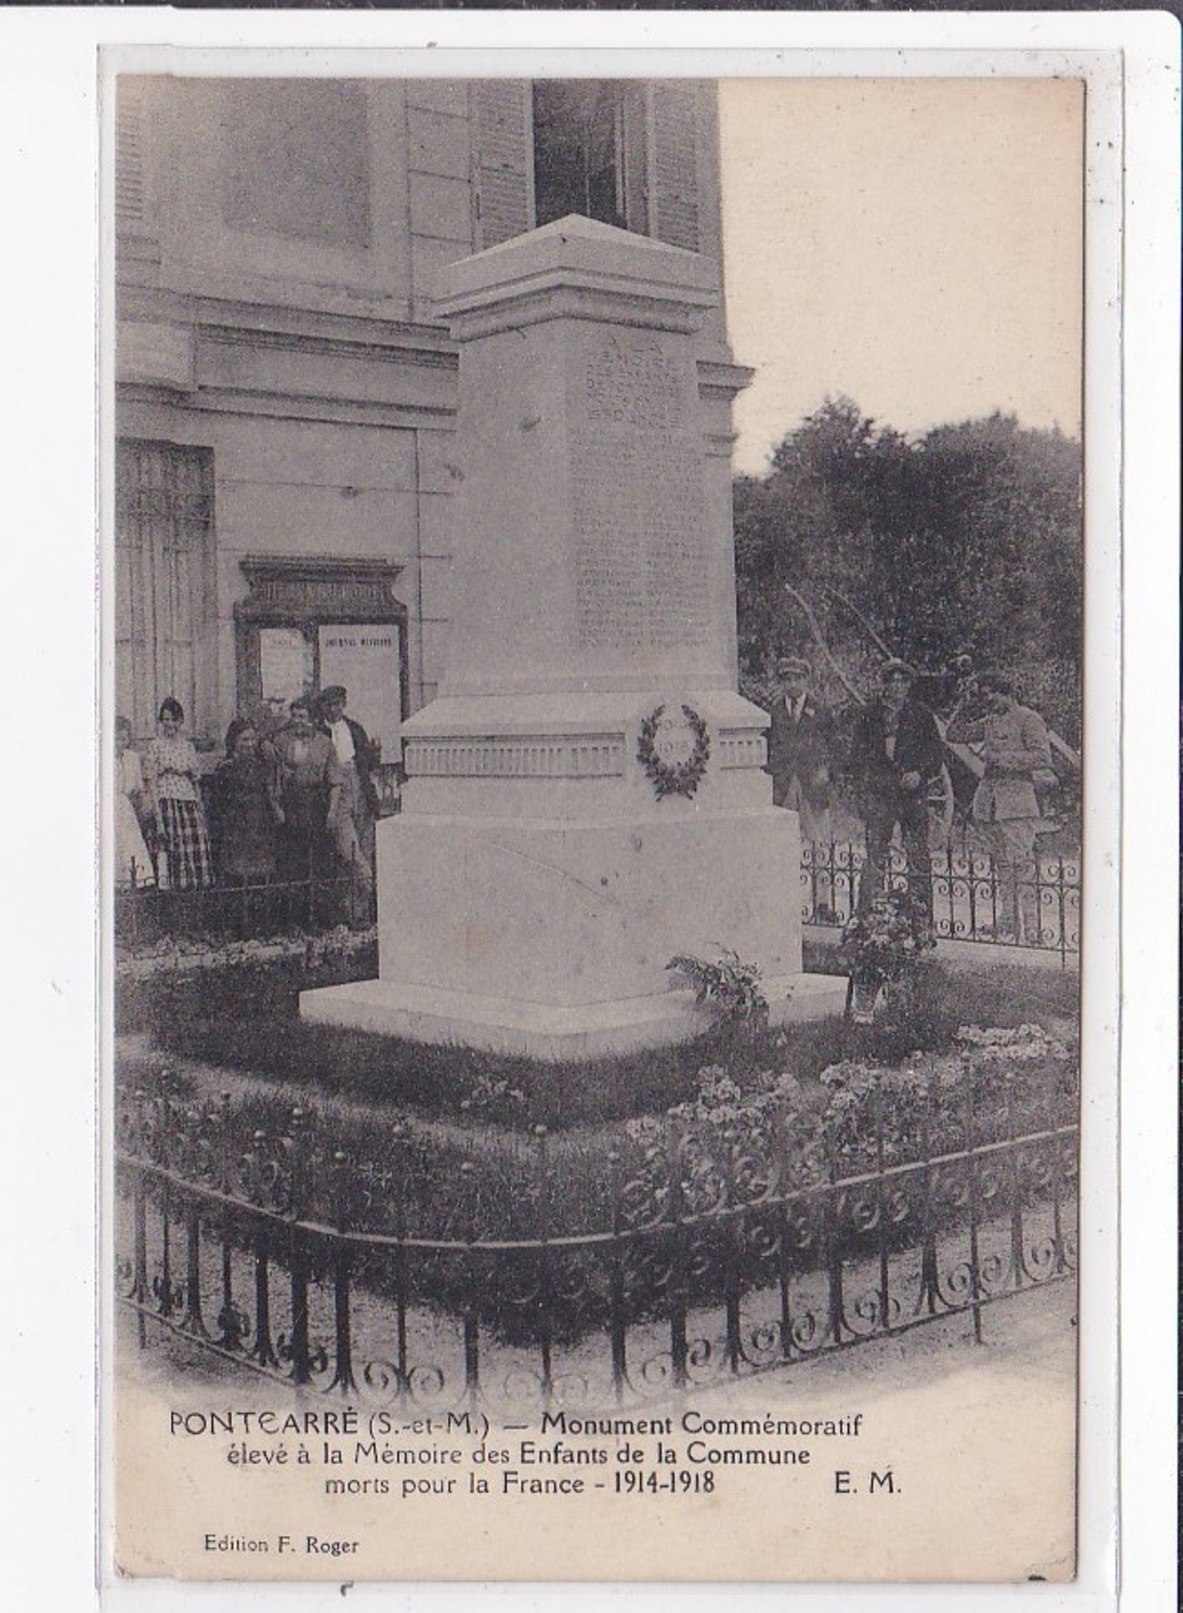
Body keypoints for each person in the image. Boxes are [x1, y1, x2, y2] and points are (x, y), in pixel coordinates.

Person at [951, 672, 1055, 941]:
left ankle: (1032, 929)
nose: (988, 701)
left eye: (991, 695)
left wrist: (1004, 758)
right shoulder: (989, 721)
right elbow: (953, 733)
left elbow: (1043, 757)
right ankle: (1008, 923)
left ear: (1006, 693)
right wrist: (965, 703)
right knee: (1003, 866)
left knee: (1023, 864)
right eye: (984, 696)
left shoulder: (1029, 718)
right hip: (991, 804)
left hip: (1018, 803)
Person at [848, 659, 945, 923]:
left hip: (912, 795)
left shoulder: (921, 714)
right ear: (885, 684)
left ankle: (921, 918)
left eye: (903, 681)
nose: (898, 686)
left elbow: (936, 753)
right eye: (893, 681)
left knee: (917, 853)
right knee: (877, 853)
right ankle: (868, 917)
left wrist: (919, 773)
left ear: (909, 685)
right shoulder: (870, 714)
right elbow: (857, 755)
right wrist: (871, 783)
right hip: (881, 795)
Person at [317, 685, 379, 925]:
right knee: (351, 853)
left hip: (360, 789)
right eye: (330, 704)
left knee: (364, 847)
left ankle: (359, 914)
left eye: (339, 704)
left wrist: (375, 752)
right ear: (323, 707)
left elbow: (368, 764)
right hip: (336, 791)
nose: (335, 709)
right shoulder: (318, 732)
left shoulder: (354, 729)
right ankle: (368, 886)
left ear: (344, 705)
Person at [268, 697, 343, 884]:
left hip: (317, 803)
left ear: (313, 719)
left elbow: (334, 781)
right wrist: (277, 809)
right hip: (290, 804)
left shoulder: (325, 743)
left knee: (319, 859)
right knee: (292, 860)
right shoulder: (280, 741)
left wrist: (332, 812)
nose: (297, 721)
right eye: (293, 716)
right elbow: (272, 780)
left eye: (302, 716)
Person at [143, 697, 214, 890]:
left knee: (193, 849)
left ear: (181, 721)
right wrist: (158, 817)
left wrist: (200, 808)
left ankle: (192, 893)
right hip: (167, 803)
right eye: (165, 719)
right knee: (170, 852)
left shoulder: (188, 747)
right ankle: (171, 893)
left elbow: (196, 781)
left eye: (173, 719)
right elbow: (151, 782)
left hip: (188, 803)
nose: (169, 724)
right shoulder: (156, 746)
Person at [766, 655, 834, 846]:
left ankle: (820, 875)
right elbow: (768, 746)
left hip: (813, 781)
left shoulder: (820, 710)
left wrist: (826, 772)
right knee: (782, 837)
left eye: (798, 678)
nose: (793, 684)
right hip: (783, 782)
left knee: (818, 838)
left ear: (806, 680)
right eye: (787, 679)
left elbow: (833, 746)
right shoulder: (774, 711)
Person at [208, 718, 280, 887]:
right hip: (236, 832)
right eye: (244, 739)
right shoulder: (226, 769)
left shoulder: (260, 766)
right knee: (237, 880)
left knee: (259, 880)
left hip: (258, 829)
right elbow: (217, 806)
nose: (249, 744)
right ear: (233, 742)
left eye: (252, 739)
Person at [115, 716, 155, 888]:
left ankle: (135, 881)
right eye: (116, 739)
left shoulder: (132, 758)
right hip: (111, 806)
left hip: (126, 807)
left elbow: (139, 787)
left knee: (131, 843)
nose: (120, 743)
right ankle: (117, 881)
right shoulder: (102, 757)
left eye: (123, 739)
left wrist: (144, 804)